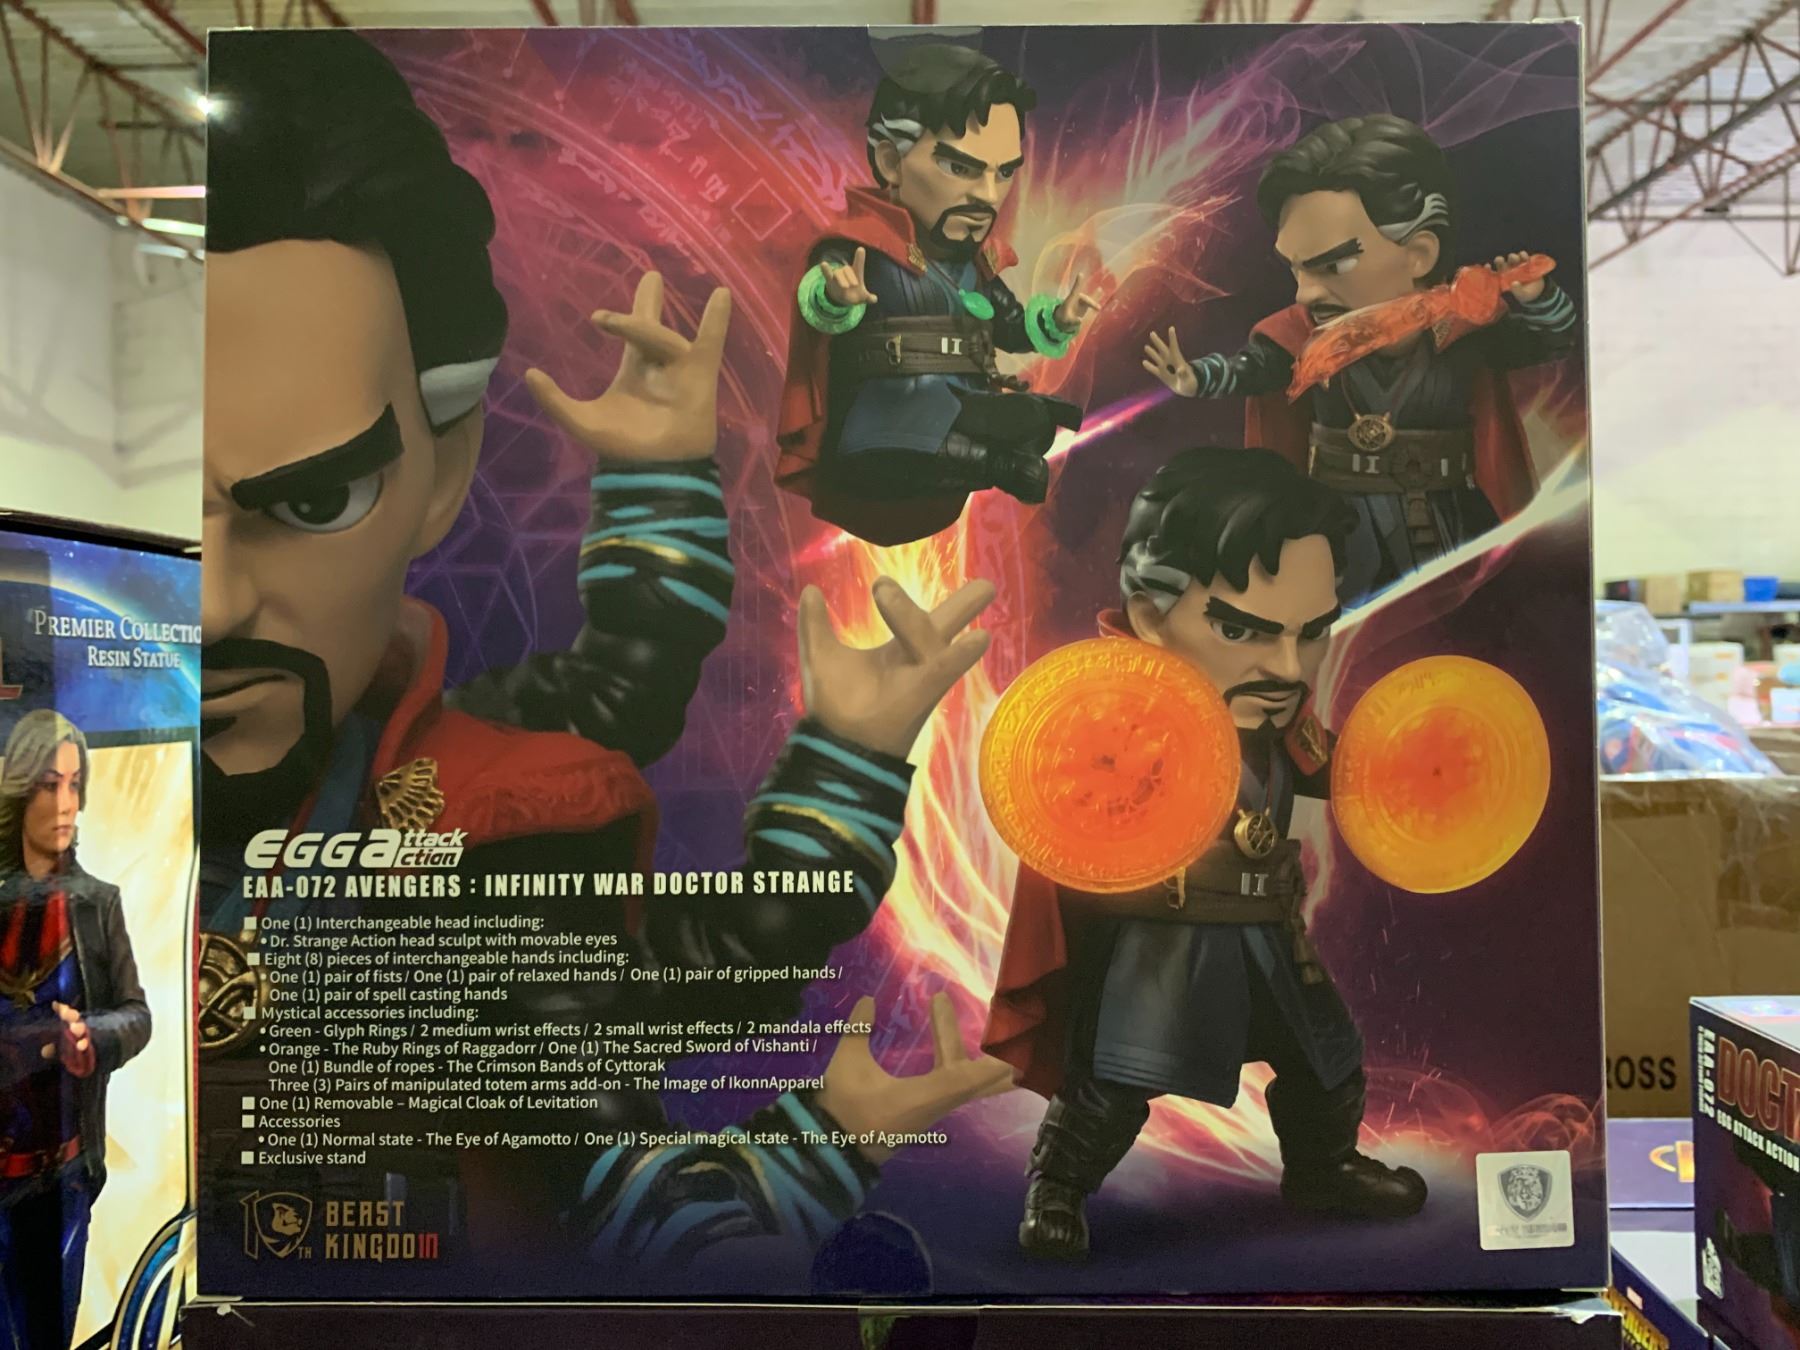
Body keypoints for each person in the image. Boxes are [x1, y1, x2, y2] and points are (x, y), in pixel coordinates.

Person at [199, 29, 1006, 1277]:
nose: (211, 605)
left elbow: (667, 1093)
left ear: (441, 473)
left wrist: (847, 757)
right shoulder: (96, 805)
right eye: (167, 511)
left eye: (312, 501)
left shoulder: (489, 818)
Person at [983, 447, 1425, 1261]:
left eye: (1311, 632)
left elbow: (1344, 773)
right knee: (1118, 1074)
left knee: (1328, 1059)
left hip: (1271, 930)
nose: (1287, 667)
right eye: (1239, 629)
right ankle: (1057, 1190)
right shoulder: (1113, 720)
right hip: (1165, 936)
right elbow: (1068, 806)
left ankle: (1323, 1168)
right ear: (1152, 616)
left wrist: (1420, 770)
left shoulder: (1283, 722)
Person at [1143, 114, 1578, 603]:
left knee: (1465, 618)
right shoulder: (1300, 337)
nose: (1306, 294)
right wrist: (1198, 378)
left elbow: (1548, 342)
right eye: (1296, 270)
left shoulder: (1465, 328)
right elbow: (1256, 369)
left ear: (1419, 253)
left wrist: (1537, 297)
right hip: (1336, 525)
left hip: (1449, 517)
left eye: (1333, 265)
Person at [777, 40, 1100, 545]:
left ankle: (995, 454)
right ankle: (995, 464)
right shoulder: (863, 248)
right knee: (895, 445)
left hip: (958, 410)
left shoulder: (975, 264)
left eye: (1004, 172)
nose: (988, 195)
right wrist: (836, 296)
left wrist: (1056, 320)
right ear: (891, 161)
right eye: (960, 168)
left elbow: (1011, 325)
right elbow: (820, 295)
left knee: (1035, 424)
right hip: (882, 427)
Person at [0, 711, 151, 1348]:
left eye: (74, 783)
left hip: (61, 1172)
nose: (66, 803)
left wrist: (91, 1036)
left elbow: (136, 1013)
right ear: (19, 789)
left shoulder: (96, 903)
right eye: (48, 784)